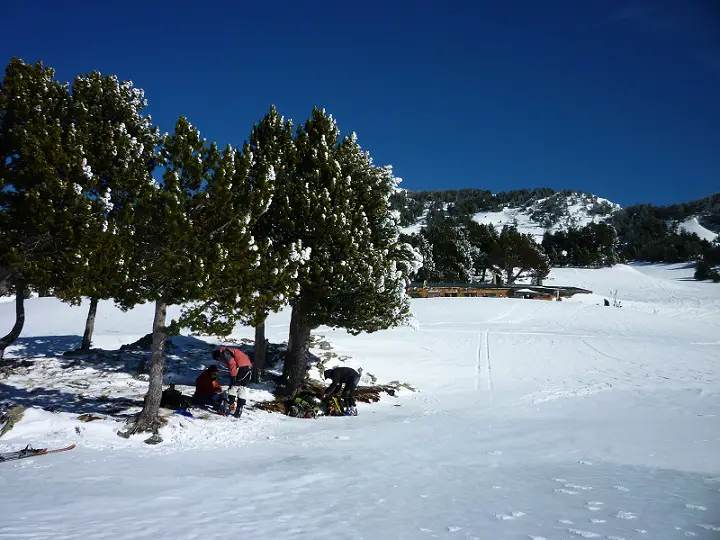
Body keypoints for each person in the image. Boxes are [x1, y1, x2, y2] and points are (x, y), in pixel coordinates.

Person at [212, 346, 252, 418]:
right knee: (241, 388)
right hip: (248, 368)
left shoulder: (225, 353)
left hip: (242, 368)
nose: (219, 360)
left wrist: (233, 376)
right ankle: (239, 410)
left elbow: (232, 363)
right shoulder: (229, 351)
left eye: (218, 359)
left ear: (218, 355)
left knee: (234, 386)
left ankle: (226, 407)